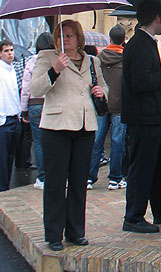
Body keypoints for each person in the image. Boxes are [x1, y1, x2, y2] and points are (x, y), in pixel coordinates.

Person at [30, 20, 108, 251]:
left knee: (78, 182)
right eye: (61, 36)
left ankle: (76, 231)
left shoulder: (92, 61)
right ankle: (54, 234)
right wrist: (55, 71)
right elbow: (36, 89)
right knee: (55, 183)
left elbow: (104, 87)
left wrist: (101, 91)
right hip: (56, 127)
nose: (66, 40)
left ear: (79, 38)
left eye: (71, 35)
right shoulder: (47, 58)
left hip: (84, 126)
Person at [121, 0, 161, 234]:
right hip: (143, 118)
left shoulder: (148, 43)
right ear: (157, 18)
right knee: (142, 167)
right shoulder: (139, 45)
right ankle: (133, 215)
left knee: (159, 166)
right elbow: (141, 82)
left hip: (155, 116)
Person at [87, 25, 127, 191]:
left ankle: (89, 177)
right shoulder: (126, 58)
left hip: (101, 104)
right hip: (120, 105)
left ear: (110, 39)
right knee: (118, 143)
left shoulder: (98, 58)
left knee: (96, 141)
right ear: (123, 40)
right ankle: (115, 178)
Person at [20, 32, 55, 189]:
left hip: (35, 104)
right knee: (54, 140)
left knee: (39, 142)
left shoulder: (32, 61)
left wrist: (24, 109)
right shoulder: (57, 61)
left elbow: (26, 87)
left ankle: (42, 177)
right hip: (51, 103)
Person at [0, 39, 21, 192]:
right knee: (2, 157)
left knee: (10, 157)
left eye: (11, 50)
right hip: (4, 119)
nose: (10, 54)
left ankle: (5, 186)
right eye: (6, 51)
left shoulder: (12, 69)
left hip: (14, 117)